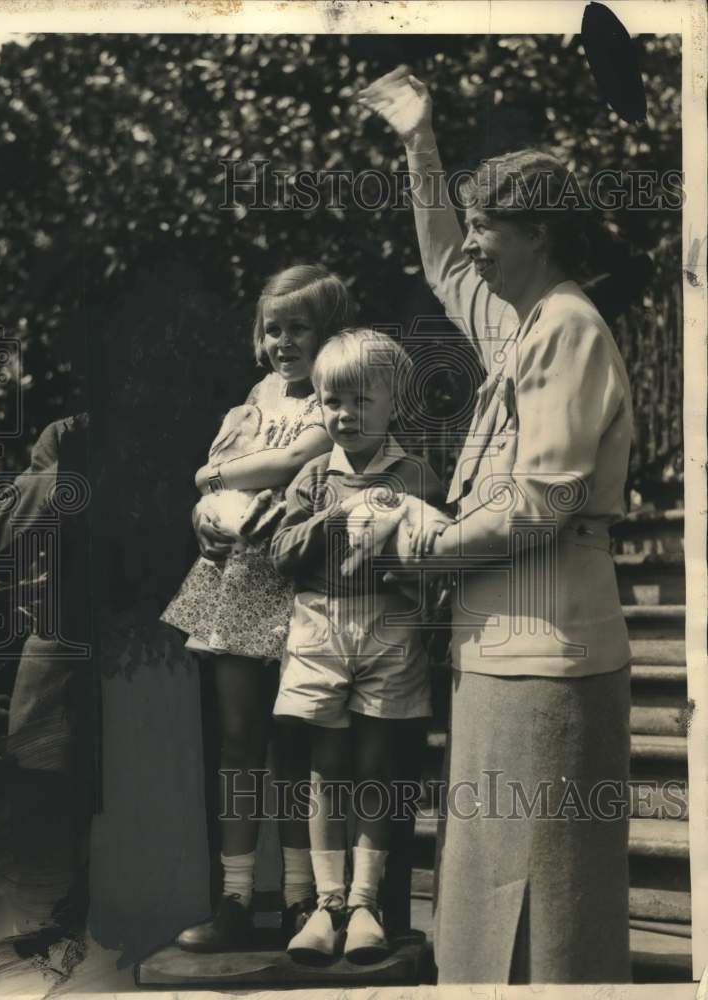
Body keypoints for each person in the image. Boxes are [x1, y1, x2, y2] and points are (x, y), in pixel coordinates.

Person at [359, 68, 634, 983]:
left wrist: (418, 539)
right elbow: (440, 262)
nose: (471, 244)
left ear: (537, 233)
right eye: (472, 222)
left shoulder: (565, 327)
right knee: (487, 894)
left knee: (545, 914)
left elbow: (544, 504)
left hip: (546, 654)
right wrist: (417, 142)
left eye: (487, 226)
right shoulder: (522, 322)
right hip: (499, 647)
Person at [162, 264, 353, 951]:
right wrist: (203, 511)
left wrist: (208, 474)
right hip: (240, 583)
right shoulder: (255, 397)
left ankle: (305, 899)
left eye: (298, 328)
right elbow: (224, 497)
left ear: (328, 333)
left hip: (304, 584)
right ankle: (237, 896)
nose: (282, 342)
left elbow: (294, 460)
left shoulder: (333, 396)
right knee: (239, 738)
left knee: (298, 739)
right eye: (272, 329)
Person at [270, 329, 446, 963]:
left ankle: (368, 903)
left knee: (378, 763)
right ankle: (327, 904)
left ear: (392, 403)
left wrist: (410, 565)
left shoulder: (417, 473)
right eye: (331, 402)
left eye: (361, 402)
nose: (344, 415)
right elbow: (281, 552)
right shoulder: (315, 475)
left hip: (389, 630)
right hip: (319, 627)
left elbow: (437, 556)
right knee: (326, 766)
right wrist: (336, 517)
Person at [0, 413, 94, 950]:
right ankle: (40, 924)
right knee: (36, 780)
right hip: (61, 635)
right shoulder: (66, 434)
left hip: (139, 642)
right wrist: (64, 480)